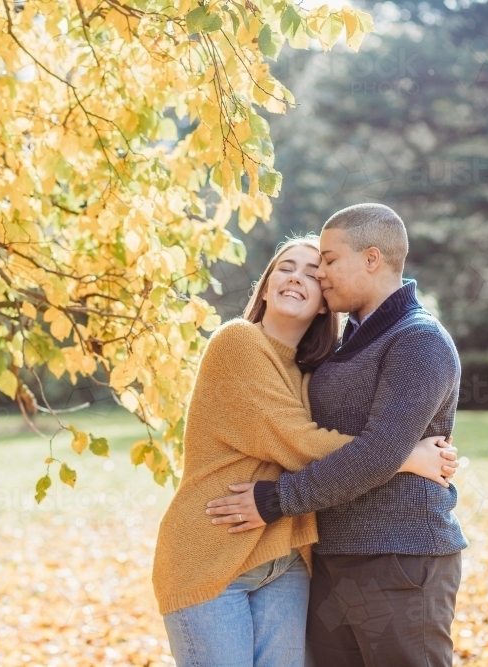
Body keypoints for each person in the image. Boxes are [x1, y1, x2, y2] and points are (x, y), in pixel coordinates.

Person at [153, 234, 459, 667]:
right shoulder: (237, 342)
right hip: (212, 553)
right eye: (285, 267)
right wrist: (406, 457)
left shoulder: (312, 369)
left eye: (313, 272)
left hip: (286, 558)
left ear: (324, 300)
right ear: (265, 284)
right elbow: (297, 441)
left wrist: (392, 452)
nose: (297, 277)